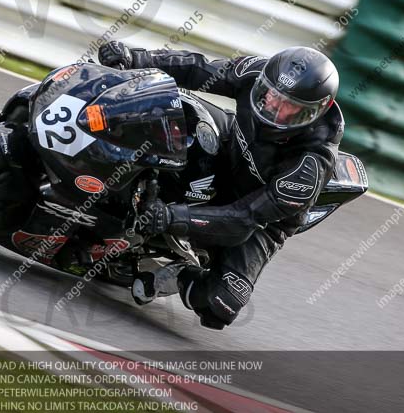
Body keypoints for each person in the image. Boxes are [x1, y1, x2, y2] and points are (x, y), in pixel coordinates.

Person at [98, 42, 343, 330]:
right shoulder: (257, 72)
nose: (273, 107)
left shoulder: (310, 164)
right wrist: (135, 58)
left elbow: (244, 217)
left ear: (317, 111)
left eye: (289, 106)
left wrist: (173, 217)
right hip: (230, 147)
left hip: (260, 216)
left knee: (221, 305)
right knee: (168, 111)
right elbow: (199, 69)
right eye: (271, 95)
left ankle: (180, 273)